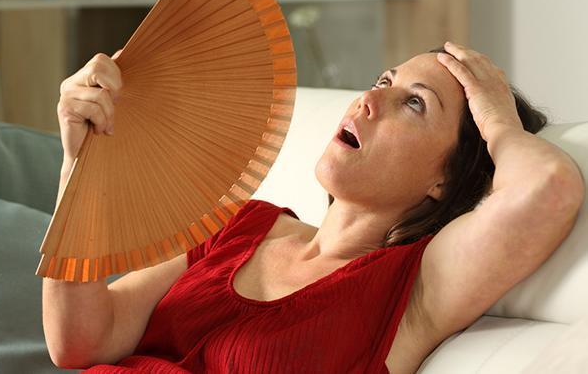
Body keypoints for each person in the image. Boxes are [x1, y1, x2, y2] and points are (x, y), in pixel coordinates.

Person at [42, 42, 584, 373]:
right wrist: (80, 167)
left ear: (445, 178)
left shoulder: (413, 288)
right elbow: (81, 340)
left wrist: (497, 121)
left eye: (414, 103)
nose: (368, 100)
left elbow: (547, 190)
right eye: (383, 81)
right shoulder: (240, 222)